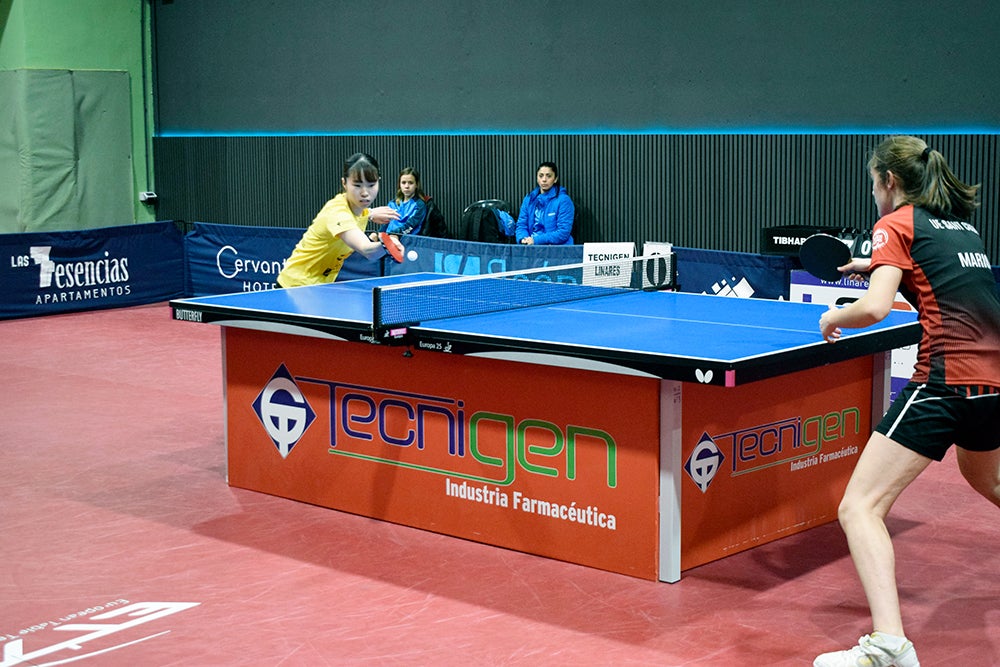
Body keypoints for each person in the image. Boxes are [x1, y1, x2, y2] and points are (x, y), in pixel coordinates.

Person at [814, 135, 1000, 667]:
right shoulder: (961, 227)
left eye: (874, 184)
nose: (874, 194)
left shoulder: (893, 223)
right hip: (994, 379)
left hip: (945, 380)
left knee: (859, 507)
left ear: (888, 182)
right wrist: (867, 263)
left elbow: (873, 311)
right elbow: (939, 282)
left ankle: (888, 647)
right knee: (987, 479)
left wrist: (833, 317)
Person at [277, 153, 401, 288]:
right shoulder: (337, 212)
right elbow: (367, 250)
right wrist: (388, 244)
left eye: (371, 185)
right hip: (295, 286)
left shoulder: (359, 209)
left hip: (318, 287)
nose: (365, 192)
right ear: (344, 183)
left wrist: (371, 213)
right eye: (357, 185)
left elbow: (358, 215)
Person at [515, 161, 575, 245]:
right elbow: (521, 225)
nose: (544, 180)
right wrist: (523, 239)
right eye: (541, 176)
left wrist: (536, 240)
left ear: (555, 179)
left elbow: (563, 233)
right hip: (531, 248)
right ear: (537, 178)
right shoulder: (529, 199)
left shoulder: (564, 201)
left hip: (556, 249)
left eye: (548, 176)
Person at [384, 167, 428, 237]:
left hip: (407, 242)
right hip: (387, 239)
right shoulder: (392, 204)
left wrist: (395, 234)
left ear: (416, 185)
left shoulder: (420, 205)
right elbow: (385, 225)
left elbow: (411, 226)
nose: (406, 186)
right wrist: (377, 234)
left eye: (410, 183)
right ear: (399, 184)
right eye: (403, 183)